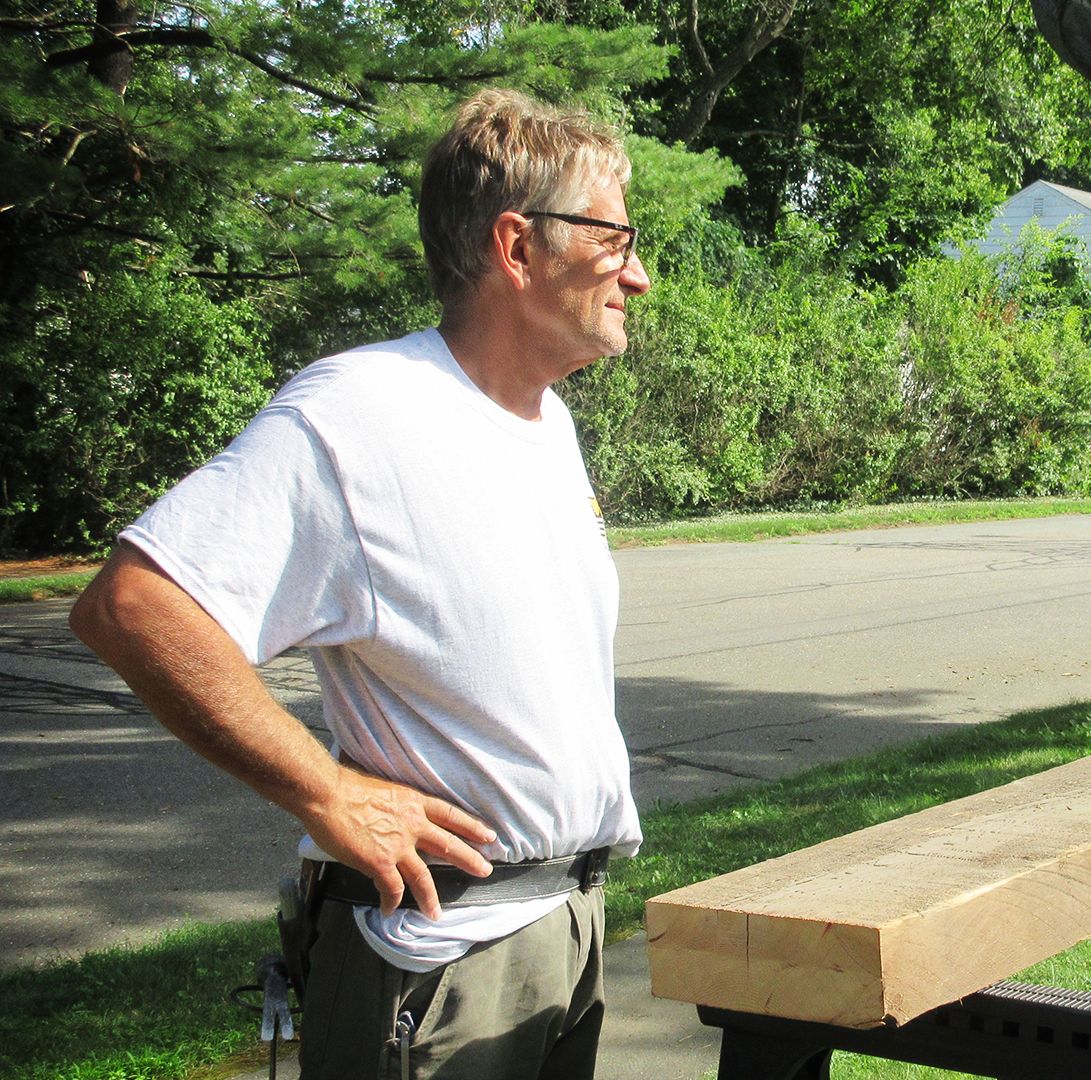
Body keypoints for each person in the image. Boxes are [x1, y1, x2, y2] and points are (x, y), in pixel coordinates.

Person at [68, 88, 654, 1078]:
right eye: (612, 240)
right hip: (441, 972)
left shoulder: (545, 422)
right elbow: (135, 606)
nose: (635, 275)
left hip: (566, 931)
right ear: (517, 249)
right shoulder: (361, 417)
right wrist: (324, 790)